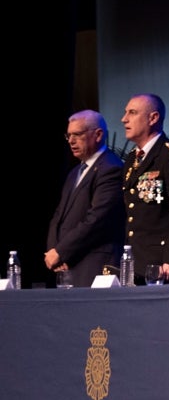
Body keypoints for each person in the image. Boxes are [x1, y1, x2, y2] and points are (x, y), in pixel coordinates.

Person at [121, 93, 169, 284]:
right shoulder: (132, 159)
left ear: (153, 118)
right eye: (125, 113)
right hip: (135, 261)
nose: (124, 119)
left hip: (161, 264)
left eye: (132, 112)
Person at [45, 110, 125, 287]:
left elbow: (97, 219)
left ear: (98, 135)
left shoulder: (111, 168)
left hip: (93, 265)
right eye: (69, 135)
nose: (71, 141)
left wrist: (61, 251)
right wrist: (54, 251)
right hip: (67, 265)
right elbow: (58, 216)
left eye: (78, 135)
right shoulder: (75, 173)